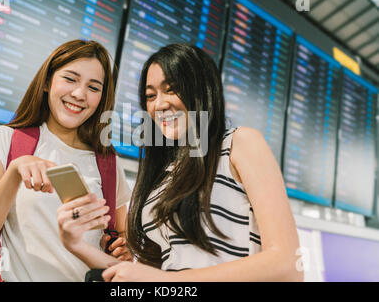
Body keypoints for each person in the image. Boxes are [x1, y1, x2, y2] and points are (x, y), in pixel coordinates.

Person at [57, 43, 303, 281]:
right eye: (150, 96)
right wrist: (77, 245)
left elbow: (287, 264)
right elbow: (149, 275)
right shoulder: (160, 179)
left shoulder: (239, 143)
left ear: (201, 89)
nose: (159, 104)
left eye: (171, 89)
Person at [0, 40, 132, 282]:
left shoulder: (109, 163)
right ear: (46, 81)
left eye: (94, 88)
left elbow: (121, 236)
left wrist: (123, 250)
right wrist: (14, 172)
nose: (79, 94)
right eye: (70, 79)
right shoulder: (4, 140)